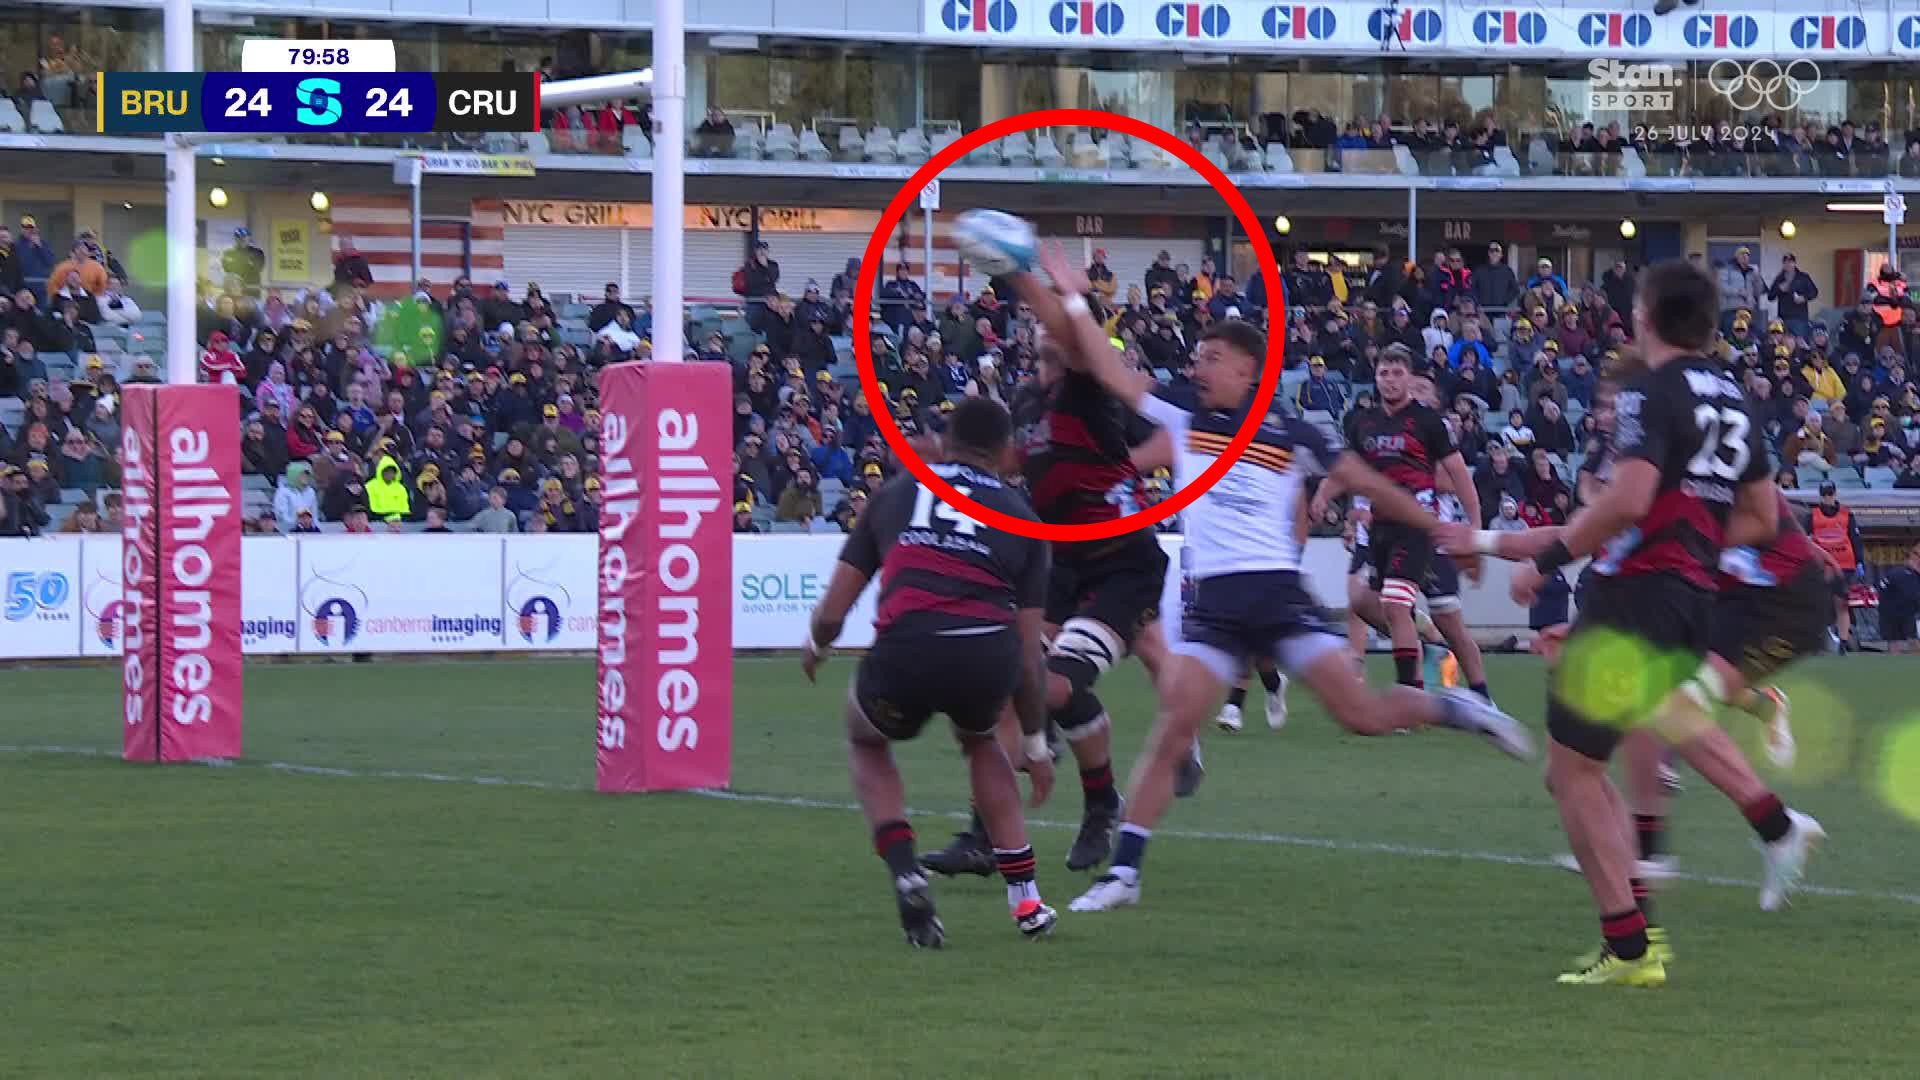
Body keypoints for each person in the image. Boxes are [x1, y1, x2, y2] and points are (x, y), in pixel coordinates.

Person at [995, 240, 1529, 915]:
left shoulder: (1292, 433)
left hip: (1276, 596)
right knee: (1171, 730)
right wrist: (1069, 294)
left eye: (1212, 357)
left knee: (1360, 715)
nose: (1198, 364)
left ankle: (1464, 708)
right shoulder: (1186, 421)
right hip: (1214, 603)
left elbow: (1369, 482)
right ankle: (1125, 872)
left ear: (1249, 369)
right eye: (1197, 356)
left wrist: (1441, 529)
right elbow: (1103, 365)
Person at [1465, 259, 1816, 988]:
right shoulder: (1736, 400)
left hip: (1636, 597)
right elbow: (1757, 516)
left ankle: (1632, 947)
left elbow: (1627, 499)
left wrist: (1546, 562)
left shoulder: (1647, 392)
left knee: (1572, 775)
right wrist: (1689, 547)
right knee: (1583, 768)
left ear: (1645, 317)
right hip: (1690, 603)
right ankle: (1636, 935)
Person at [921, 248, 1186, 880]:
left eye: (1053, 333)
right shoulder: (1030, 401)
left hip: (1121, 566)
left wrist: (1017, 271)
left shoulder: (1091, 391)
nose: (1041, 336)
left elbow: (1073, 334)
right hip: (1061, 569)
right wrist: (939, 453)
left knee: (1053, 686)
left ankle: (1104, 803)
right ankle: (987, 834)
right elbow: (1017, 463)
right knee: (1011, 694)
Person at [800, 396, 1059, 948]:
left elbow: (835, 608)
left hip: (908, 646)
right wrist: (1036, 743)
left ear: (945, 442)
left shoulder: (895, 493)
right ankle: (1026, 899)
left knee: (866, 740)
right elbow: (1030, 652)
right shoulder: (1024, 517)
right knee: (982, 741)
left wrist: (818, 645)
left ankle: (906, 871)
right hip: (985, 653)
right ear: (1005, 453)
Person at [1313, 344, 1487, 698]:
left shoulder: (1428, 423)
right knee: (1365, 602)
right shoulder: (1364, 422)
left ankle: (1473, 694)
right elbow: (1348, 468)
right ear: (1375, 378)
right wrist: (1323, 494)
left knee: (1443, 621)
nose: (1390, 380)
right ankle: (1419, 643)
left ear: (1409, 377)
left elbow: (1457, 474)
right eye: (1383, 373)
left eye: (1397, 373)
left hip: (1422, 530)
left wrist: (1476, 525)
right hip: (1381, 530)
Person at [1807, 480, 1863, 652]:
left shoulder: (1846, 514)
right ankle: (1818, 641)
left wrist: (1860, 561)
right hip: (1822, 567)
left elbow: (1855, 540)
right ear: (1820, 496)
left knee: (1842, 605)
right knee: (1819, 604)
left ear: (1835, 494)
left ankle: (1843, 643)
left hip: (1844, 566)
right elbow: (1804, 539)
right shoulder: (1812, 515)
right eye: (1824, 494)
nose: (1827, 498)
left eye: (1830, 494)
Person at [1879, 543, 1920, 654]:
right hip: (1892, 612)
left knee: (1913, 640)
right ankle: (1893, 664)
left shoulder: (1915, 576)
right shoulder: (1897, 573)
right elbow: (1883, 588)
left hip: (1907, 612)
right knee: (1893, 641)